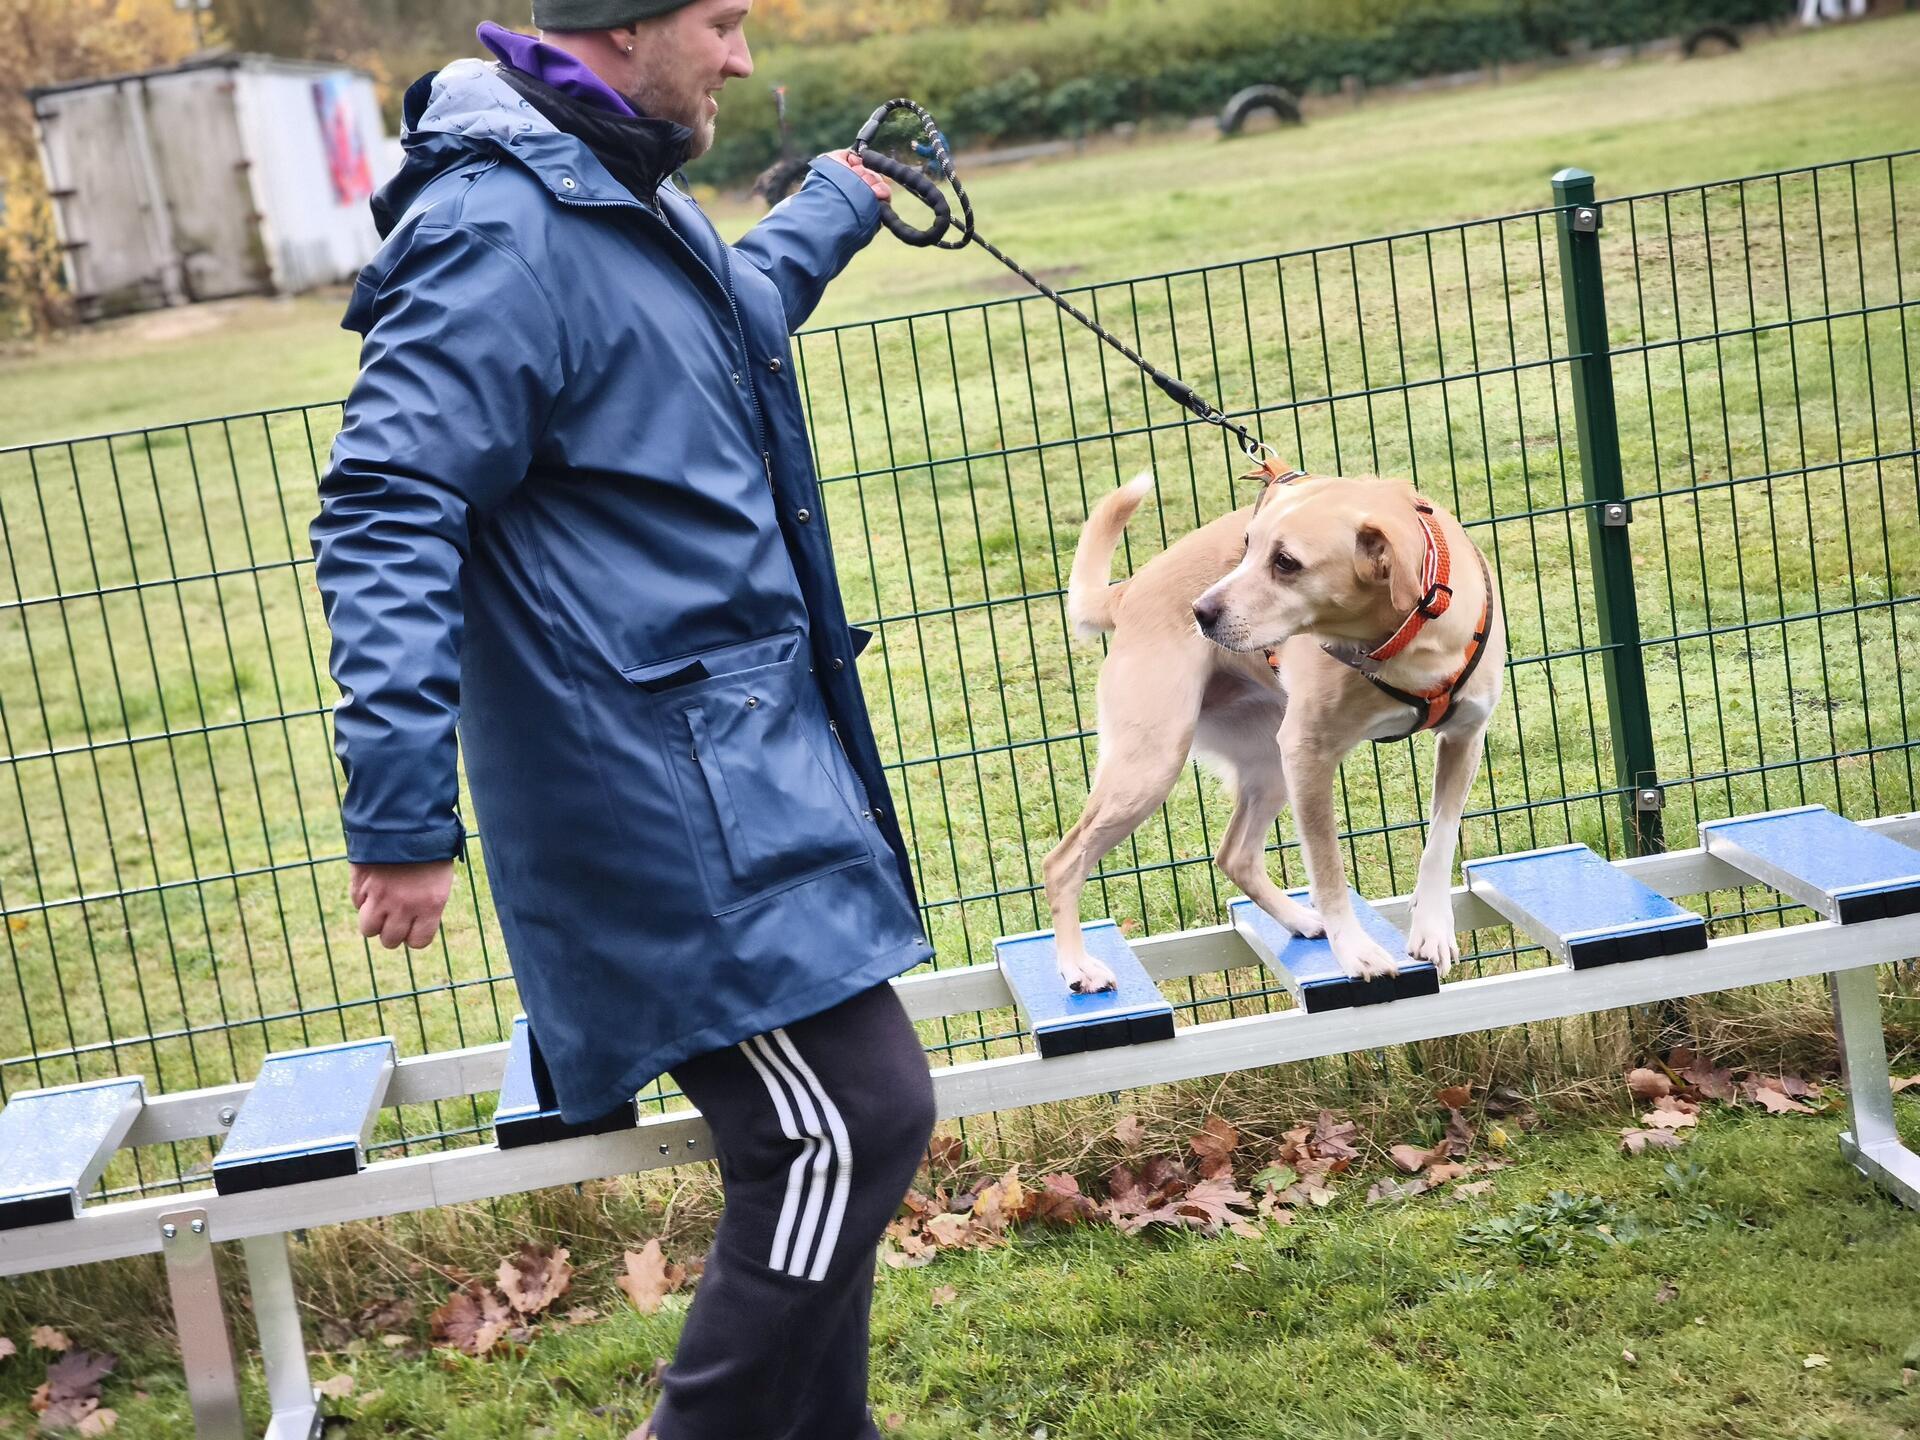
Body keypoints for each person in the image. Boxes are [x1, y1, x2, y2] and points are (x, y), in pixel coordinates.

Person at [307, 2, 938, 1434]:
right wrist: (402, 812)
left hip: (737, 766)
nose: (741, 57)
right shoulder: (499, 229)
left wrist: (841, 200)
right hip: (654, 798)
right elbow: (390, 506)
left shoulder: (608, 189)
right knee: (851, 1120)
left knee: (822, 1131)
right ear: (623, 26)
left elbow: (718, 317)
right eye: (719, 22)